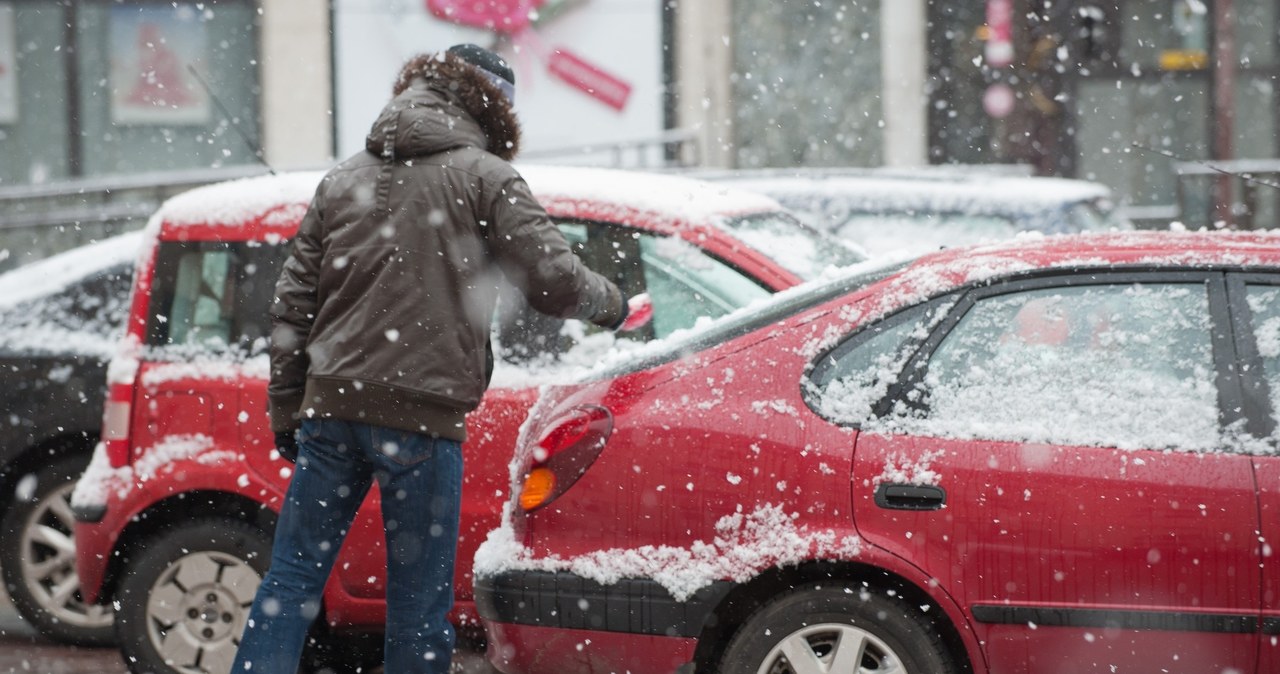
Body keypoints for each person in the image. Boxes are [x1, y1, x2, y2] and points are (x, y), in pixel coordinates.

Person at [231, 44, 646, 674]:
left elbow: (292, 309)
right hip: (418, 419)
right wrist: (616, 306)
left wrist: (289, 408)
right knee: (418, 604)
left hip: (331, 410)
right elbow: (554, 279)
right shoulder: (486, 177)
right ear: (494, 105)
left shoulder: (342, 179)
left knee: (288, 582)